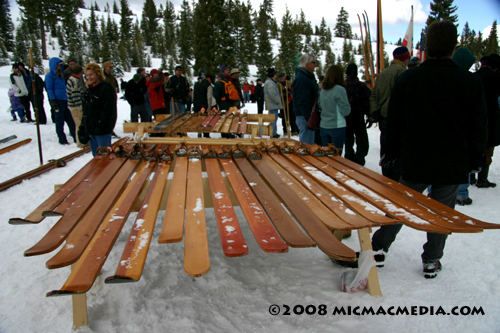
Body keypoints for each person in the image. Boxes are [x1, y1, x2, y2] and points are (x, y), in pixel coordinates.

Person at [335, 20, 487, 279]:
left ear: (428, 45)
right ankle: (431, 259)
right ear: (453, 46)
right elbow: (478, 126)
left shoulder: (410, 78)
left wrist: (391, 153)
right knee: (441, 214)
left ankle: (378, 249)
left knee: (401, 207)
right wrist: (475, 159)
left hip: (416, 158)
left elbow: (394, 122)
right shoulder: (468, 81)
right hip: (451, 162)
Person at [369, 46, 410, 181]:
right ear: (405, 58)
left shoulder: (383, 73)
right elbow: (396, 97)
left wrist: (375, 111)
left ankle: (386, 177)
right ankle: (395, 181)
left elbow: (374, 94)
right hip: (394, 118)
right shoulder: (402, 72)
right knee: (397, 150)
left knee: (385, 146)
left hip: (383, 117)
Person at [451, 48, 478, 205]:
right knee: (462, 163)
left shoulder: (443, 77)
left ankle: (434, 190)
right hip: (462, 131)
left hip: (442, 130)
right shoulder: (470, 81)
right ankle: (461, 193)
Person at [474, 53, 500, 188]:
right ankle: (482, 178)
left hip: (474, 117)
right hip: (491, 117)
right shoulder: (496, 78)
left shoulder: (474, 76)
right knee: (488, 148)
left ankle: (471, 176)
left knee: (474, 145)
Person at [81, 63, 117, 156]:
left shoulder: (105, 89)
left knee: (105, 158)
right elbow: (85, 111)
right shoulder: (88, 92)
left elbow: (108, 110)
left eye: (91, 74)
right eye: (87, 75)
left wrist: (101, 126)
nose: (89, 77)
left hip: (102, 131)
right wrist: (83, 127)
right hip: (91, 130)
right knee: (96, 158)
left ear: (98, 74)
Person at [318, 65, 350, 150]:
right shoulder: (340, 89)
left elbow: (320, 105)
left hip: (324, 125)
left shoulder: (323, 89)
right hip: (337, 126)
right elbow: (346, 111)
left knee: (326, 156)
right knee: (336, 158)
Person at [344, 63, 371, 166]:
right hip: (359, 118)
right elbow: (368, 102)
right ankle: (358, 160)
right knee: (362, 143)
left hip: (346, 118)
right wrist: (369, 115)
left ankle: (349, 160)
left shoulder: (342, 86)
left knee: (348, 142)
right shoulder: (362, 86)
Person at [45, 57, 76, 145]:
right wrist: (53, 101)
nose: (60, 66)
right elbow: (49, 89)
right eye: (58, 64)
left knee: (70, 120)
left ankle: (75, 137)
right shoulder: (50, 76)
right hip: (57, 101)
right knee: (59, 121)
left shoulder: (61, 75)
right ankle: (62, 139)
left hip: (65, 99)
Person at [292, 53, 318, 144]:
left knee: (308, 147)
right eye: (314, 62)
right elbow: (303, 102)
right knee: (307, 149)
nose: (315, 65)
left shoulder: (306, 77)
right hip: (305, 117)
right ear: (307, 64)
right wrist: (310, 119)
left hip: (307, 116)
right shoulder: (302, 79)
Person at [66, 64, 88, 148]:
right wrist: (80, 106)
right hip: (76, 107)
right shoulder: (74, 81)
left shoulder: (72, 79)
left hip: (74, 106)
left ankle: (83, 141)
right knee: (79, 124)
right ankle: (81, 143)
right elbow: (75, 95)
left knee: (79, 124)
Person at [264, 68, 283, 138]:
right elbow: (272, 94)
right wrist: (278, 100)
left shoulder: (270, 82)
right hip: (272, 104)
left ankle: (274, 132)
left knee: (274, 119)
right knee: (273, 119)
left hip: (272, 104)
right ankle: (273, 133)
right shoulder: (270, 83)